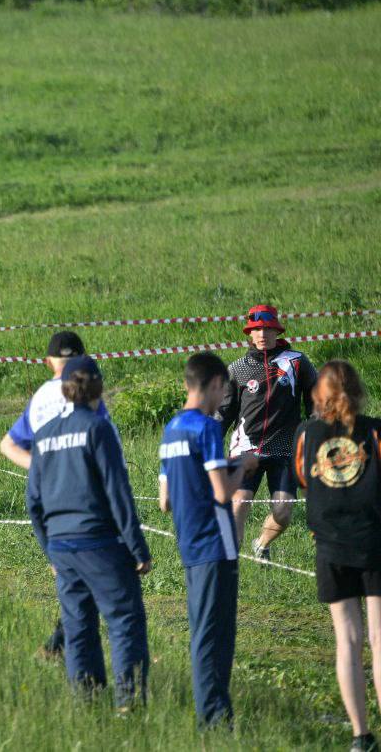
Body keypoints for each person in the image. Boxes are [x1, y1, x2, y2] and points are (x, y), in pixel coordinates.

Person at [27, 355, 152, 712]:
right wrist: (138, 547)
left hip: (63, 547)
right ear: (98, 387)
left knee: (78, 626)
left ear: (65, 388)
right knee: (124, 621)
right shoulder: (98, 429)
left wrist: (49, 549)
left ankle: (87, 701)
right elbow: (118, 493)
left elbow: (33, 501)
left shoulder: (46, 433)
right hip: (100, 543)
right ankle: (129, 704)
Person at [158, 352, 258, 729]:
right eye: (224, 391)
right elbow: (221, 493)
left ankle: (211, 712)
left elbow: (165, 502)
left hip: (189, 543)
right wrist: (243, 465)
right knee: (217, 635)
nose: (223, 400)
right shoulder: (206, 428)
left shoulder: (170, 430)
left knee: (203, 629)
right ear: (216, 384)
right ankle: (215, 717)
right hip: (216, 544)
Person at [0, 330, 112, 660]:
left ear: (48, 362)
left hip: (46, 497)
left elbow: (7, 445)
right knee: (87, 576)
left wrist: (42, 468)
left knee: (68, 572)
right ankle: (67, 648)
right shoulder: (88, 395)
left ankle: (61, 647)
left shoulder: (41, 397)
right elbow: (102, 448)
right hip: (83, 498)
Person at [294, 360, 381, 752]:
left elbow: (302, 478)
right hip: (375, 541)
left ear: (318, 395)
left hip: (330, 545)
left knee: (347, 640)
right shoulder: (375, 431)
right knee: (379, 639)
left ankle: (360, 735)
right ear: (358, 391)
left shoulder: (306, 435)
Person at [215, 304, 318, 559]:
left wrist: (316, 427)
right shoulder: (237, 368)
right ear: (249, 334)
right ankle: (230, 570)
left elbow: (315, 398)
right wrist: (207, 441)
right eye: (256, 329)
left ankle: (261, 543)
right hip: (245, 449)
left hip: (284, 449)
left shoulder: (296, 362)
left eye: (267, 329)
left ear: (276, 331)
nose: (262, 334)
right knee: (239, 505)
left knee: (283, 512)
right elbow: (225, 411)